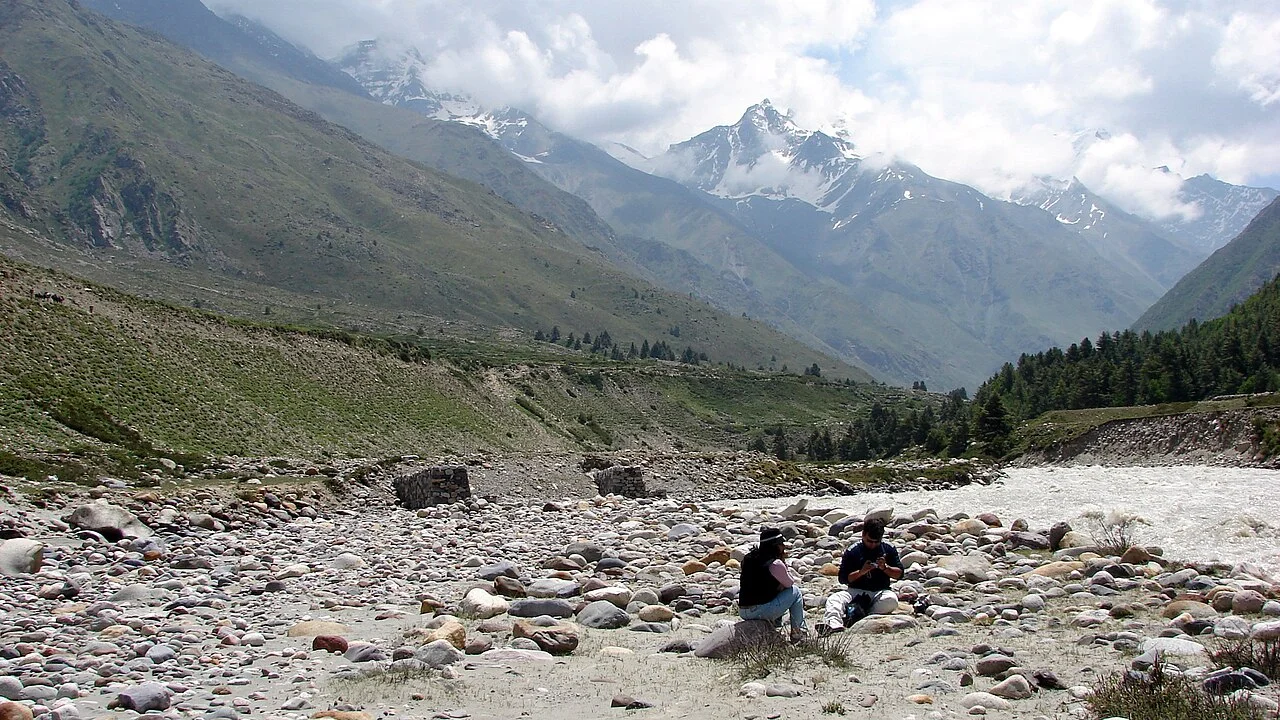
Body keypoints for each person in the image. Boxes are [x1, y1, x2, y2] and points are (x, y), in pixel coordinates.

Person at [821, 518, 903, 634]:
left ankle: (862, 616)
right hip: (855, 591)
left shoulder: (888, 549)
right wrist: (861, 572)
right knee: (834, 599)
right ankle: (833, 624)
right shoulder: (853, 551)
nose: (873, 545)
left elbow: (900, 574)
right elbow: (843, 578)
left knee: (891, 600)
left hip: (880, 591)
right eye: (869, 541)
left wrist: (885, 568)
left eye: (876, 542)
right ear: (863, 534)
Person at [738, 527, 808, 642]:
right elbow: (789, 583)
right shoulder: (775, 564)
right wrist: (784, 564)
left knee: (776, 591)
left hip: (743, 610)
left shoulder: (748, 558)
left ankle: (775, 626)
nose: (783, 547)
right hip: (760, 611)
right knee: (795, 592)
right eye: (781, 544)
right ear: (774, 545)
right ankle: (798, 633)